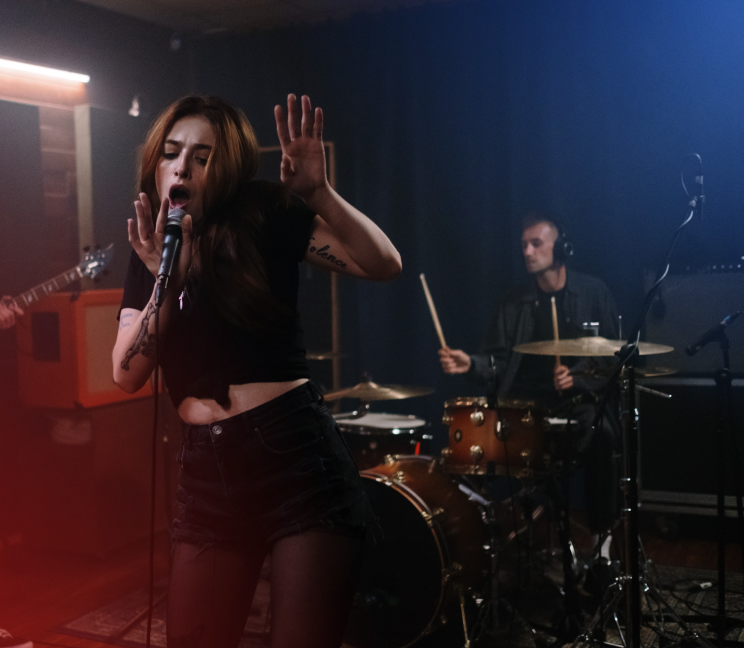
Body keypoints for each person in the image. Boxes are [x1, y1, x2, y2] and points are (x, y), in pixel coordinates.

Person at [112, 94, 401, 648]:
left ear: (226, 167)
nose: (183, 166)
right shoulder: (150, 248)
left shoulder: (263, 211)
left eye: (202, 156)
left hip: (294, 459)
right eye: (172, 153)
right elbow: (126, 372)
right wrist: (165, 282)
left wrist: (320, 193)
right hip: (206, 475)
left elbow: (383, 263)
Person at [439, 212, 619, 553]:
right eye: (524, 245)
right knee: (470, 445)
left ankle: (601, 539)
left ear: (561, 248)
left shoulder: (593, 292)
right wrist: (471, 364)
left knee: (603, 435)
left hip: (577, 402)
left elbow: (612, 356)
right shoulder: (514, 301)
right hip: (525, 405)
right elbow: (498, 362)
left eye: (536, 244)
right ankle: (482, 541)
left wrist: (578, 376)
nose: (527, 252)